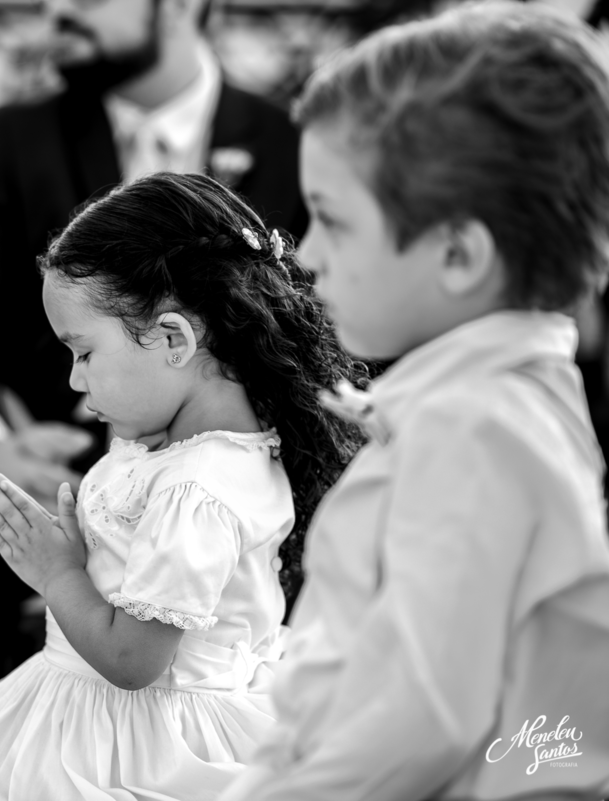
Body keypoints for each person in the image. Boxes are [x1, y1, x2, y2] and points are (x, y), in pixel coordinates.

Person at [0, 0, 308, 776]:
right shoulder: (11, 138)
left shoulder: (290, 143)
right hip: (38, 456)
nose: (60, 10)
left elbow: (321, 333)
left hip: (228, 458)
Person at [219, 4, 609, 800]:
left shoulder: (473, 431)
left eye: (331, 219)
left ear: (458, 254)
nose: (309, 254)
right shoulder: (498, 401)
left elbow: (416, 723)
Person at [0, 171, 364, 800]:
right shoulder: (173, 450)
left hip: (137, 746)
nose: (74, 381)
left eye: (83, 353)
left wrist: (59, 575)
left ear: (173, 339)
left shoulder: (197, 490)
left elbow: (134, 662)